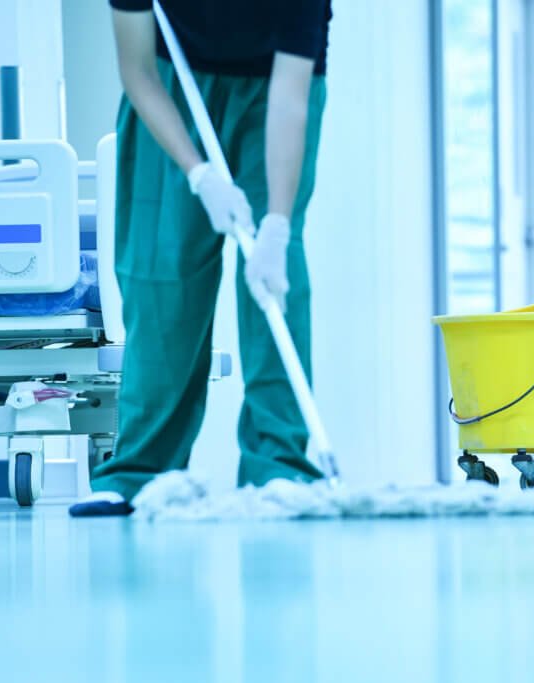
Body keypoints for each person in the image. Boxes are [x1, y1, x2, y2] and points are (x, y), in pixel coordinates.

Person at [71, 0, 332, 516]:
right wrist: (199, 174)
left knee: (274, 281)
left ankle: (279, 467)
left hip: (271, 100)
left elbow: (289, 96)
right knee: (162, 274)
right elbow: (137, 70)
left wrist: (277, 225)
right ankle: (140, 472)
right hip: (170, 87)